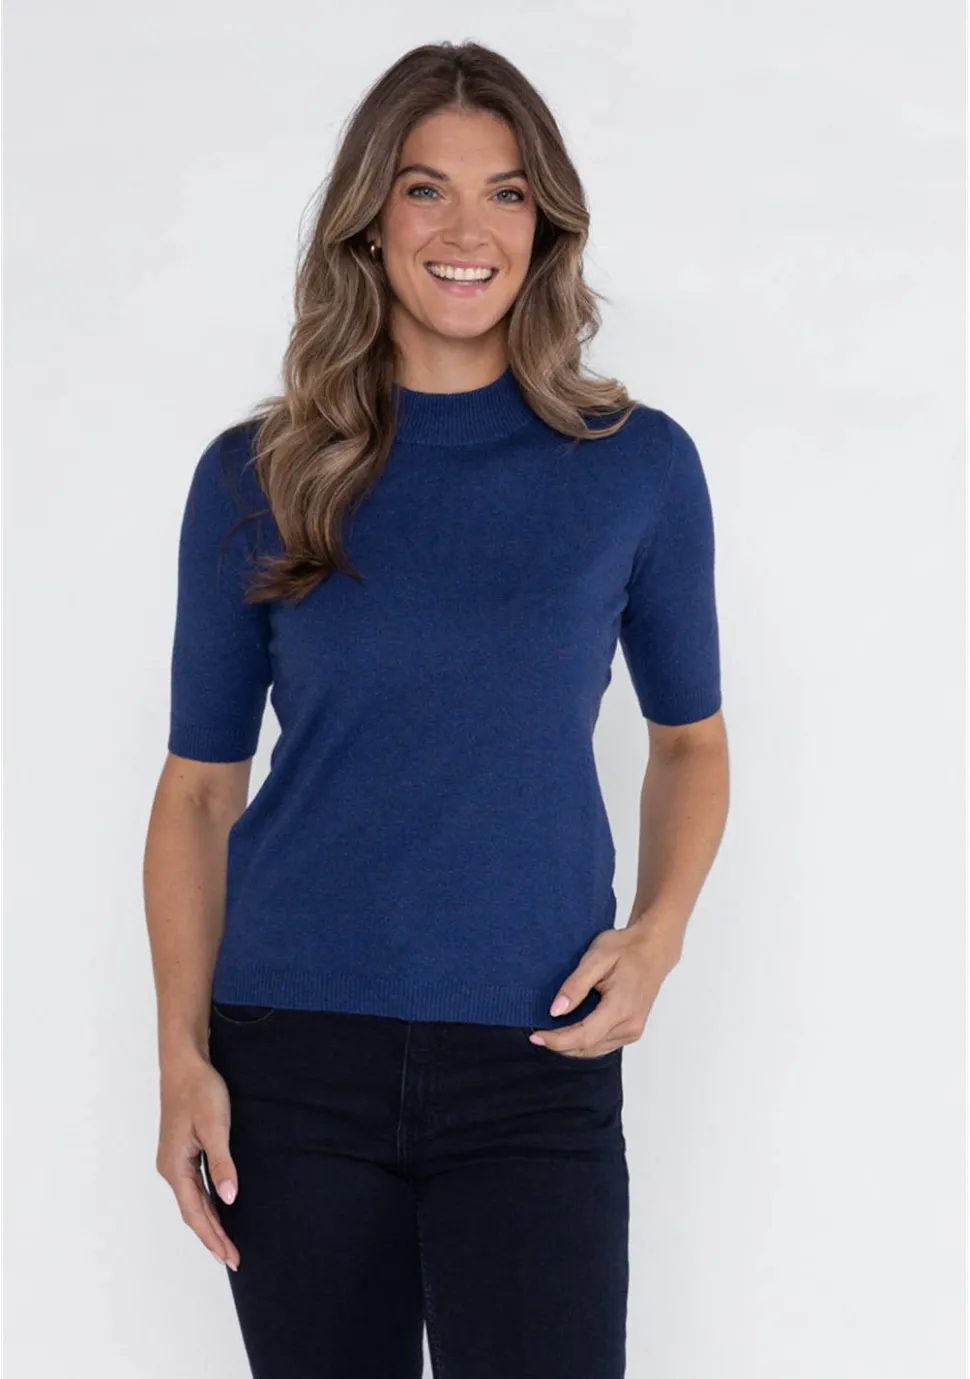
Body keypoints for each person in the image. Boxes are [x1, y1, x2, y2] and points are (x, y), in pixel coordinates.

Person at [144, 39, 729, 1379]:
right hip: (293, 1062)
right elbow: (199, 790)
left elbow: (690, 742)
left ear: (545, 224)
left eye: (505, 192)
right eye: (426, 188)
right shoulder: (258, 472)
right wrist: (180, 1055)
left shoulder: (634, 466)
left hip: (536, 1056)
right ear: (370, 220)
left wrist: (656, 936)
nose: (467, 230)